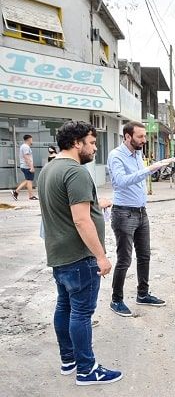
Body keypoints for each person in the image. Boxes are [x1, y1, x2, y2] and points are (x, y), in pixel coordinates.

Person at [37, 121, 122, 386]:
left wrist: (98, 204)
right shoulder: (76, 172)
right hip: (79, 256)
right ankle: (87, 369)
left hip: (59, 255)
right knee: (81, 314)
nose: (95, 148)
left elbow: (64, 206)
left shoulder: (49, 169)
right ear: (77, 143)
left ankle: (69, 360)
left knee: (64, 307)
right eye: (92, 142)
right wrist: (101, 256)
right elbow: (81, 220)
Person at [107, 121, 175, 317]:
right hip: (123, 213)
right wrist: (150, 169)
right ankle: (116, 300)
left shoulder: (138, 153)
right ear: (127, 137)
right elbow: (120, 182)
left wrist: (156, 168)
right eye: (140, 137)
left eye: (144, 136)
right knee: (124, 259)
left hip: (140, 212)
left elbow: (138, 181)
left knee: (144, 255)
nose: (144, 140)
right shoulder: (116, 156)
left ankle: (143, 294)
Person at [11, 134, 38, 200]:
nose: (32, 141)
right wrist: (31, 167)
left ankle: (16, 192)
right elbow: (26, 157)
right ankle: (31, 196)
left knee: (27, 180)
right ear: (29, 139)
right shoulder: (26, 147)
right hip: (27, 166)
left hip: (25, 166)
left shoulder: (23, 146)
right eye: (31, 139)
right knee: (29, 181)